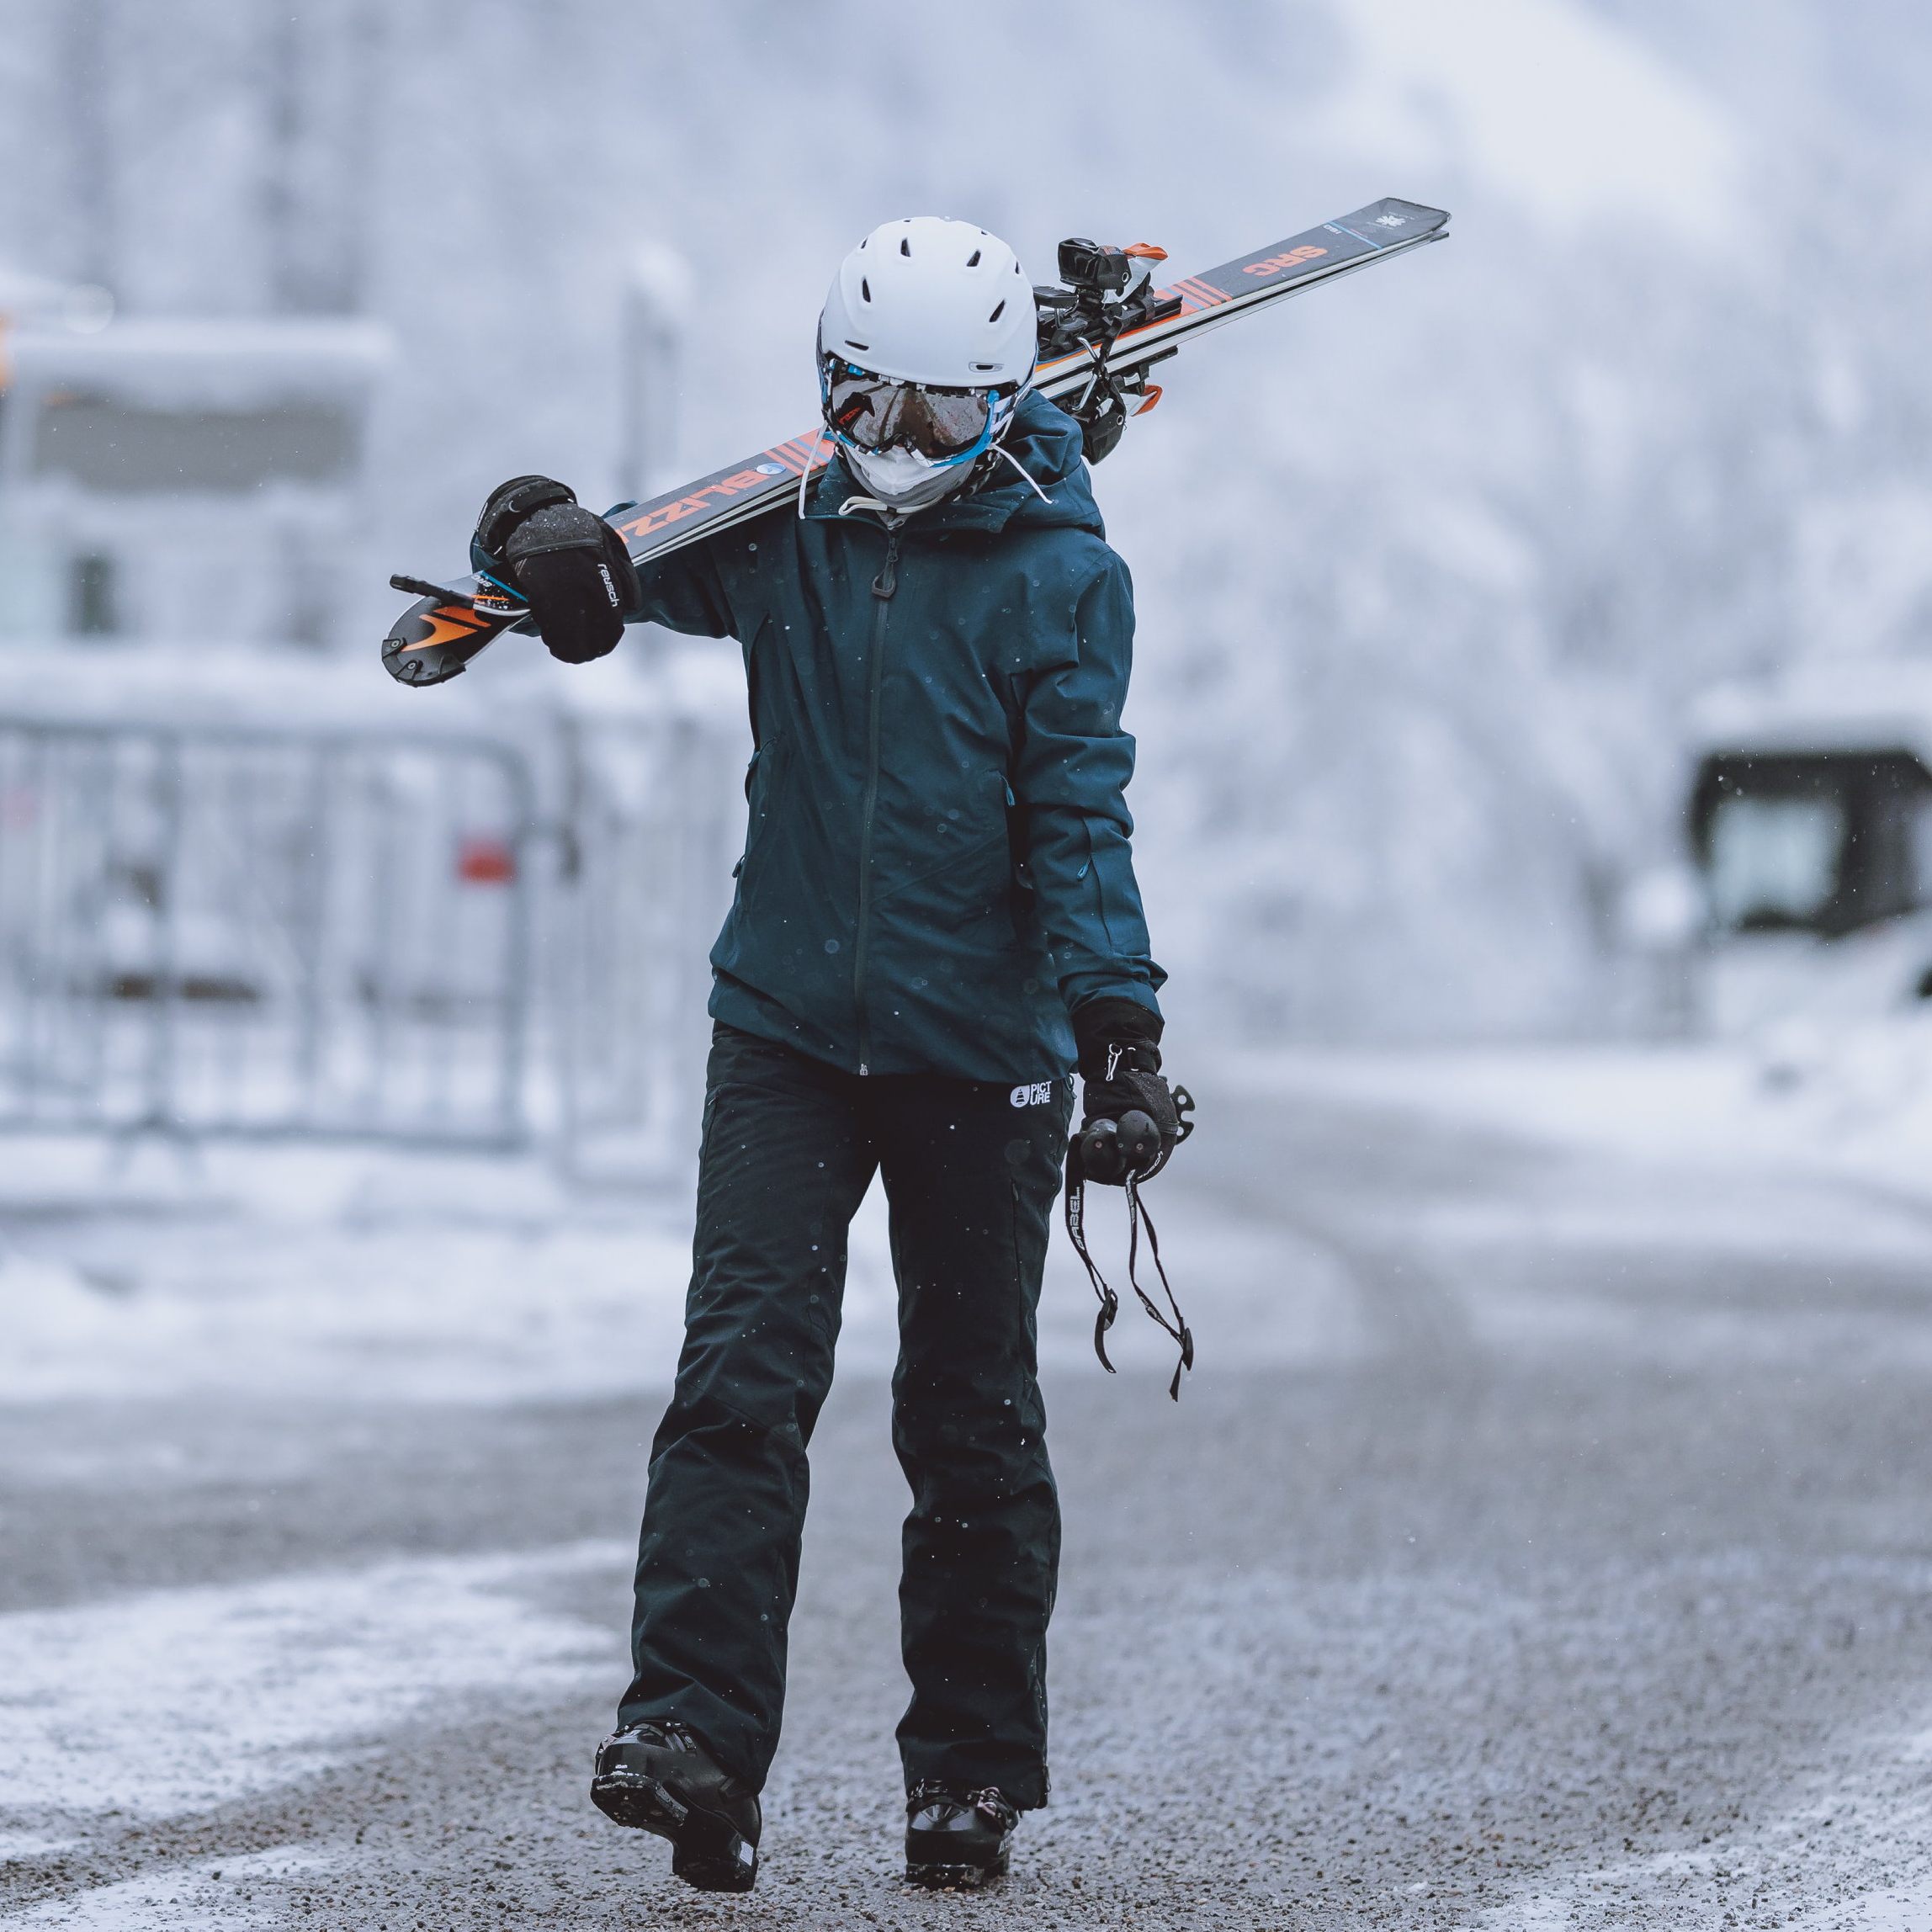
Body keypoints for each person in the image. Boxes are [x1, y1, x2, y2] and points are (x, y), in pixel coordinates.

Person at [470, 215, 1186, 1892]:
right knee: (737, 1381)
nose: (897, 448)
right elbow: (611, 571)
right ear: (826, 391)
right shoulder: (787, 532)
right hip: (785, 1030)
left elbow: (1080, 816)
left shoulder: (1060, 579)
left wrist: (1122, 1035)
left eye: (942, 414)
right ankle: (693, 1745)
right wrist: (532, 527)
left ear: (1006, 406)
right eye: (865, 406)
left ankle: (967, 1776)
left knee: (968, 1417)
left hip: (978, 1053)